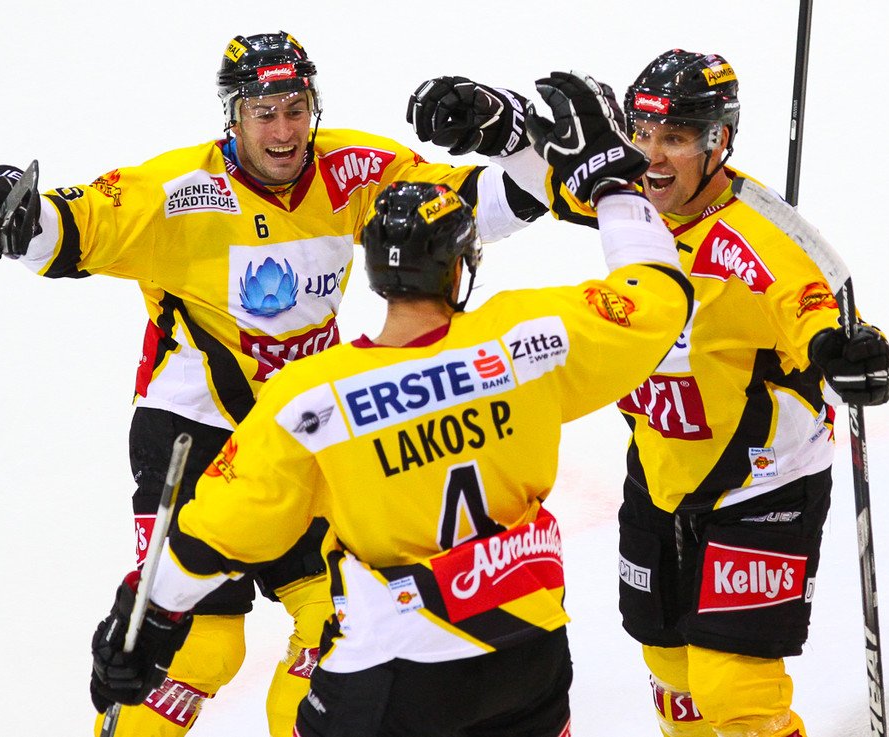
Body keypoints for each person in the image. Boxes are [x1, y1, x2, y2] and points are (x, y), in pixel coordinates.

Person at [0, 31, 551, 737]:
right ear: (232, 115)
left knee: (336, 626)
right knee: (200, 646)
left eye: (296, 109)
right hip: (193, 437)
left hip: (300, 436)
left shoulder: (356, 171)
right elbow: (67, 228)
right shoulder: (180, 193)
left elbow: (483, 207)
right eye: (264, 113)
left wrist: (510, 135)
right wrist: (9, 212)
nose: (284, 130)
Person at [87, 73, 693, 737]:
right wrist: (612, 184)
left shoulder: (312, 396)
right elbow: (659, 294)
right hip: (527, 660)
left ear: (372, 271)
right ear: (461, 267)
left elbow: (218, 529)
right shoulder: (529, 339)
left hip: (394, 672)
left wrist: (145, 616)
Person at [414, 52, 889, 737]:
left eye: (675, 137)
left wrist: (849, 352)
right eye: (642, 133)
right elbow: (559, 175)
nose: (653, 154)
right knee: (673, 676)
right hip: (659, 476)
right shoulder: (633, 199)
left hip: (762, 487)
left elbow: (815, 309)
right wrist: (498, 125)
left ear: (718, 141)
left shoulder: (756, 236)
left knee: (735, 691)